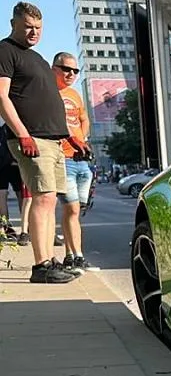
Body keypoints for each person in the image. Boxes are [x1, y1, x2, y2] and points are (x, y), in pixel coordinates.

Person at [0, 2, 75, 283]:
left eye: (38, 28)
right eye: (28, 27)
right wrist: (22, 133)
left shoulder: (37, 58)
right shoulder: (6, 51)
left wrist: (69, 137)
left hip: (52, 141)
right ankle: (41, 266)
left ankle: (49, 260)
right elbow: (2, 97)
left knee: (49, 200)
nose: (33, 32)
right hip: (32, 139)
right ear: (14, 24)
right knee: (41, 200)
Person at [53, 51, 95, 273]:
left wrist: (83, 140)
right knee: (71, 209)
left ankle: (72, 255)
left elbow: (84, 118)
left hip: (81, 160)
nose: (70, 74)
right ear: (54, 69)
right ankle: (76, 256)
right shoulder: (49, 92)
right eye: (65, 69)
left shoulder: (75, 94)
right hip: (63, 158)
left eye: (75, 71)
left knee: (76, 210)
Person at [0, 122, 28, 242]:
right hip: (17, 164)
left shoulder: (3, 129)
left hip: (1, 165)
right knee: (22, 196)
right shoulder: (19, 126)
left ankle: (4, 227)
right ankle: (25, 227)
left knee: (2, 196)